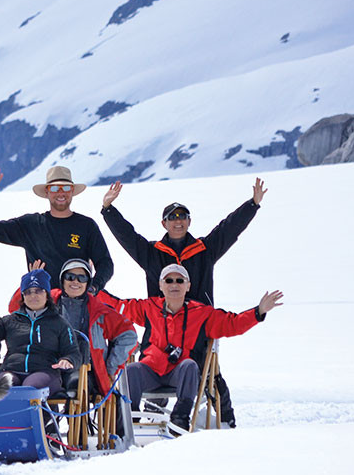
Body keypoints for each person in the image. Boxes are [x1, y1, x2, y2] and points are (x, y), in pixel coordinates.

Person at [97, 264, 284, 432]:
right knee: (132, 369)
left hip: (182, 375)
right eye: (169, 280)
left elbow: (232, 324)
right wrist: (91, 287)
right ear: (161, 285)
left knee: (190, 365)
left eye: (180, 281)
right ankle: (129, 420)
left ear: (188, 286)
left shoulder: (202, 313)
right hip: (152, 370)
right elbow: (117, 306)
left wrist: (258, 312)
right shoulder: (149, 307)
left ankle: (180, 419)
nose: (174, 285)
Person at [99, 178, 267, 304]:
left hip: (200, 325)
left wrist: (252, 205)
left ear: (189, 221)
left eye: (182, 217)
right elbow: (126, 235)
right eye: (172, 217)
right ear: (164, 224)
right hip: (162, 326)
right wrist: (108, 209)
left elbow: (229, 228)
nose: (178, 221)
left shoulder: (205, 250)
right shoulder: (151, 253)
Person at [0, 165, 114, 294]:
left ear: (72, 191)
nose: (60, 193)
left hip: (77, 303)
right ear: (47, 192)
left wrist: (94, 286)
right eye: (54, 188)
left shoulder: (86, 226)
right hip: (41, 303)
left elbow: (105, 263)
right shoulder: (30, 225)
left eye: (66, 188)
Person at [0, 269, 81, 398]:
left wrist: (67, 360)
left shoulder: (59, 323)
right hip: (11, 370)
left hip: (44, 372)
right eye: (28, 292)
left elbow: (73, 352)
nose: (33, 295)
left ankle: (34, 411)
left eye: (38, 291)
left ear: (47, 294)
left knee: (29, 390)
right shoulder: (10, 321)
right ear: (23, 296)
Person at [50, 259, 137, 397]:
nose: (75, 282)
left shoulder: (99, 310)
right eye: (70, 277)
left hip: (85, 370)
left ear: (88, 283)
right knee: (37, 385)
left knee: (77, 386)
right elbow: (19, 307)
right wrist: (34, 278)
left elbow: (128, 335)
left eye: (82, 278)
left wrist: (111, 367)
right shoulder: (47, 301)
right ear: (62, 280)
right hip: (50, 367)